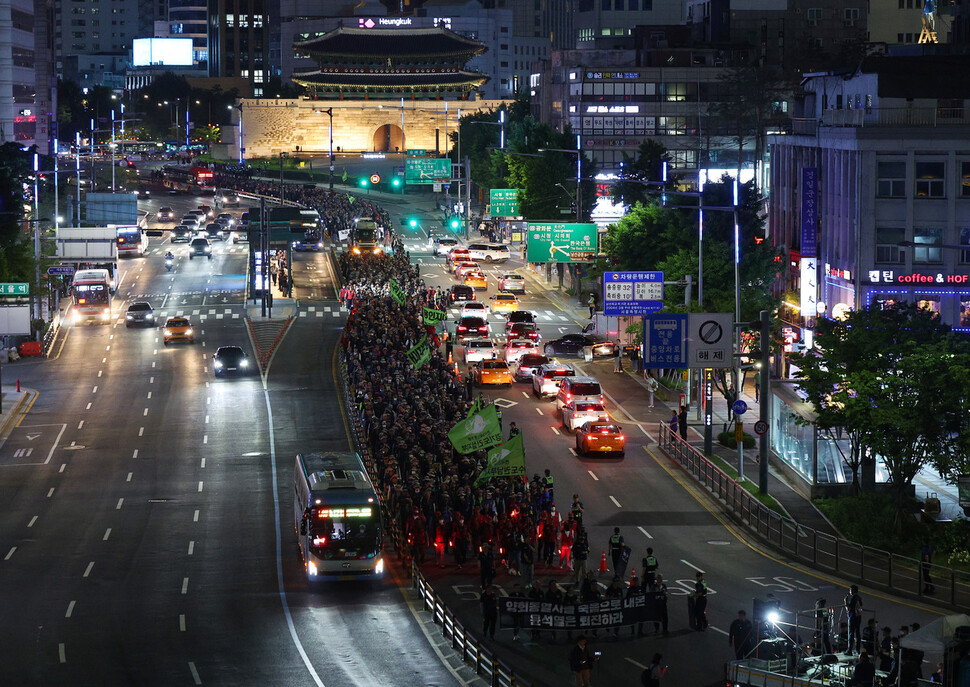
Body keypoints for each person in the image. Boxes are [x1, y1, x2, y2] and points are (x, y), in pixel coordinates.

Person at [844, 584, 863, 655]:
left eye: (850, 590)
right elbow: (861, 606)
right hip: (858, 617)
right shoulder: (859, 598)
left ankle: (849, 650)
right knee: (857, 633)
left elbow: (848, 609)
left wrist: (845, 602)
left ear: (852, 591)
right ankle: (858, 649)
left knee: (851, 634)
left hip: (852, 617)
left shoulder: (853, 598)